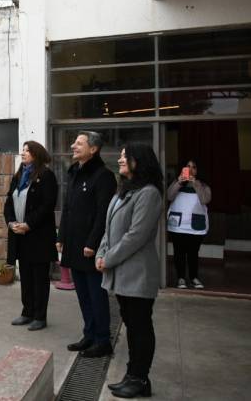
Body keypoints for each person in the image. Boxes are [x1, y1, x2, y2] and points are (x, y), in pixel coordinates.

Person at [96, 144, 163, 398]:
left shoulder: (149, 194)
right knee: (132, 325)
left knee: (140, 326)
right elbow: (109, 227)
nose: (121, 160)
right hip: (121, 272)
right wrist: (102, 252)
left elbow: (136, 236)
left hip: (137, 274)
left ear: (139, 161)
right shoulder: (124, 191)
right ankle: (132, 374)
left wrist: (108, 259)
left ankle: (140, 379)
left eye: (125, 156)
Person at [58, 131, 117, 358]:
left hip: (90, 248)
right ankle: (89, 334)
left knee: (96, 296)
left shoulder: (103, 176)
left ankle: (103, 340)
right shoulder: (75, 172)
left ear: (93, 149)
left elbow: (103, 214)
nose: (73, 146)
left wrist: (93, 243)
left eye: (79, 143)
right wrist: (61, 236)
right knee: (82, 294)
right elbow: (68, 208)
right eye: (74, 142)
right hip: (73, 245)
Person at [4, 141, 58, 331]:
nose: (23, 153)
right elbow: (9, 202)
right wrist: (11, 223)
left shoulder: (46, 176)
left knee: (39, 279)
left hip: (38, 236)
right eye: (23, 150)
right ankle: (27, 312)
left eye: (28, 150)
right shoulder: (19, 175)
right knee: (25, 277)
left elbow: (47, 206)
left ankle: (39, 316)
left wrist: (28, 224)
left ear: (37, 154)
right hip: (19, 235)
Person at [167, 159, 211, 289]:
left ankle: (193, 277)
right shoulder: (176, 183)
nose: (191, 169)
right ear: (182, 169)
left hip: (195, 226)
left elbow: (205, 199)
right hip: (178, 225)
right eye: (188, 166)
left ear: (198, 171)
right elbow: (169, 196)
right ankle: (181, 278)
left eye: (194, 167)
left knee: (193, 253)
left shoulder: (203, 185)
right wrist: (179, 183)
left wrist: (196, 184)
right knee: (179, 252)